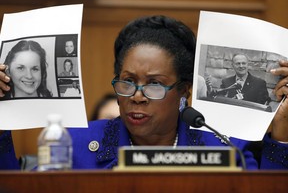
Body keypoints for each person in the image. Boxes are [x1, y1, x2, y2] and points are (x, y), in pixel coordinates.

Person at [0, 15, 287, 170]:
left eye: (154, 84)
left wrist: (283, 134)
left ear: (184, 91)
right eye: (127, 82)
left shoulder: (226, 147)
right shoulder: (75, 144)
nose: (137, 96)